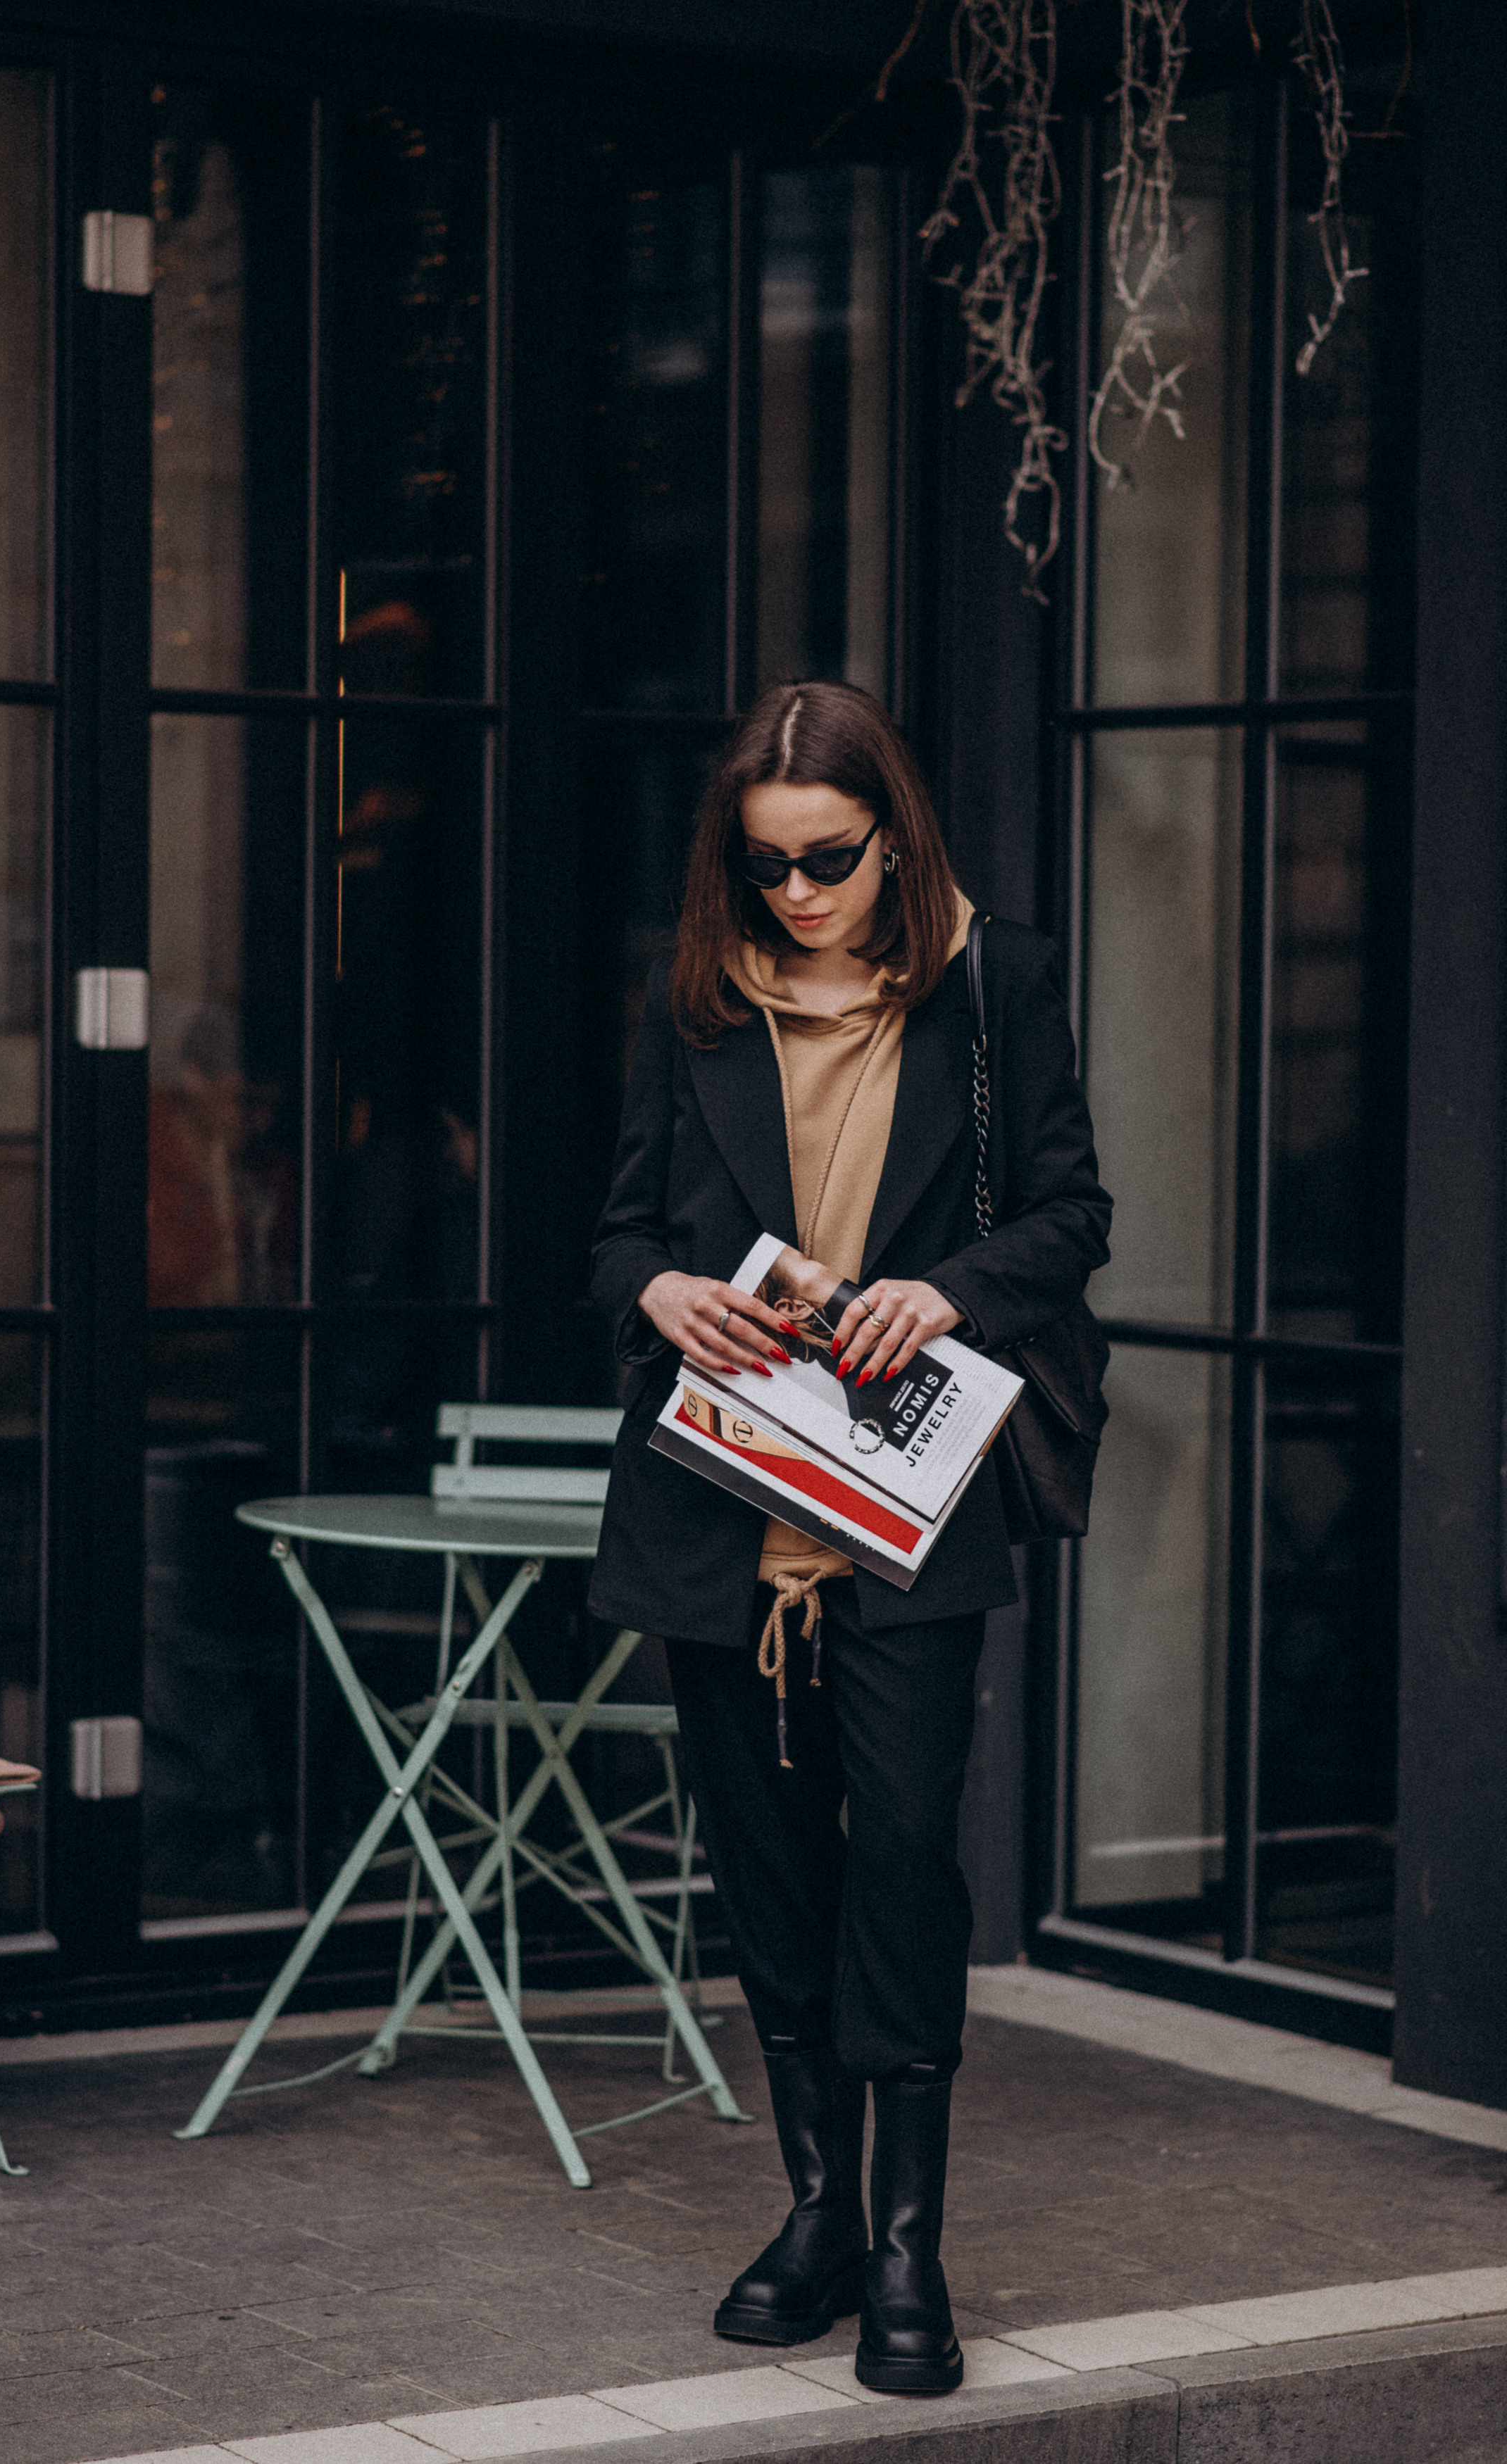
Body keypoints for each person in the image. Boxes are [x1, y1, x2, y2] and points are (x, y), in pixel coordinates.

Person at [587, 681, 1111, 2396]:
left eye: (826, 861)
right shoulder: (695, 1001)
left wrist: (942, 1288)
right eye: (763, 872)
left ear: (894, 836)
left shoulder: (995, 984)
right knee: (768, 1872)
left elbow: (1072, 1210)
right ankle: (813, 2209)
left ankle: (905, 2246)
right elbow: (615, 1236)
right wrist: (660, 1290)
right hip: (720, 1514)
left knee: (899, 1862)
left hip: (905, 1514)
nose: (796, 897)